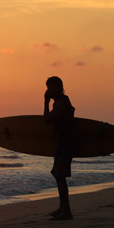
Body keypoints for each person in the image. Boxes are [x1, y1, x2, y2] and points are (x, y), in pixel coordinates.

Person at [44, 76, 75, 220]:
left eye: (50, 87)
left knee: (60, 175)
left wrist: (45, 102)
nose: (48, 91)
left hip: (65, 143)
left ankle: (66, 211)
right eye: (47, 87)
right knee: (58, 174)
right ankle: (63, 208)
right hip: (62, 142)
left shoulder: (61, 103)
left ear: (58, 88)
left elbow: (47, 121)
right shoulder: (59, 102)